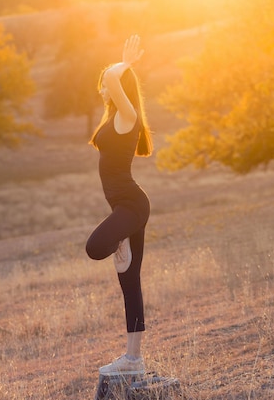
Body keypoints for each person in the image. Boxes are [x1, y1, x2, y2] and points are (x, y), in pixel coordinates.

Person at [85, 34, 153, 376]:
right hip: (123, 209)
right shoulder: (116, 118)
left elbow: (113, 78)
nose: (101, 88)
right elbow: (110, 84)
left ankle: (118, 241)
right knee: (130, 281)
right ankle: (133, 360)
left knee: (95, 247)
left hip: (131, 206)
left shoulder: (129, 116)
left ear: (118, 85)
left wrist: (124, 64)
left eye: (104, 84)